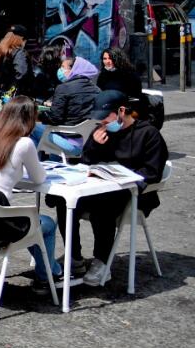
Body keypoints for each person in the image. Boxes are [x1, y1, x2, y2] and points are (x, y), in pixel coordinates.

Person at [50, 90, 169, 287]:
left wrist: (123, 176)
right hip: (99, 187)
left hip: (133, 193)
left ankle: (102, 261)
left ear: (121, 111)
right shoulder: (101, 131)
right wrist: (95, 146)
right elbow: (85, 162)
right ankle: (74, 257)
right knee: (64, 202)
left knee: (103, 206)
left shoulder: (148, 134)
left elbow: (152, 172)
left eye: (106, 117)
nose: (103, 122)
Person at [0, 96, 62, 284]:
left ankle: (51, 270)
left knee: (31, 223)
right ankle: (48, 276)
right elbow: (39, 178)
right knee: (46, 224)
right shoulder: (24, 143)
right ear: (29, 119)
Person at [0, 28, 29, 112]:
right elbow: (21, 73)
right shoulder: (18, 53)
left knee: (2, 117)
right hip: (13, 99)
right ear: (21, 39)